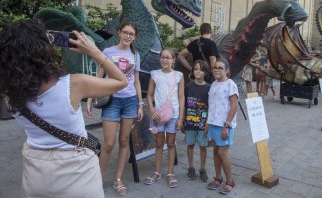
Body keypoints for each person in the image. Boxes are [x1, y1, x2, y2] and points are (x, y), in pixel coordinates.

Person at [0, 20, 128, 197]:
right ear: (44, 49)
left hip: (36, 173)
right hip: (77, 173)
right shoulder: (73, 84)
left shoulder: (9, 94)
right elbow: (121, 81)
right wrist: (94, 52)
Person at [86, 22, 144, 196]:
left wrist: (140, 104)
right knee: (109, 143)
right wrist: (89, 98)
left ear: (135, 37)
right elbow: (99, 77)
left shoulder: (136, 55)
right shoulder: (108, 52)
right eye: (125, 32)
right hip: (112, 101)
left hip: (130, 101)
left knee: (124, 141)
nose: (127, 36)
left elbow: (137, 81)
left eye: (131, 34)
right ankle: (97, 179)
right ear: (119, 33)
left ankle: (118, 179)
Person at [145, 48, 185, 188]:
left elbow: (181, 97)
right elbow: (149, 94)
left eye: (168, 57)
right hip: (158, 115)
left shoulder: (179, 75)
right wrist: (151, 109)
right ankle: (157, 172)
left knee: (172, 143)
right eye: (162, 57)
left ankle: (170, 173)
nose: (164, 60)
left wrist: (181, 117)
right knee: (159, 143)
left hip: (173, 115)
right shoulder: (155, 74)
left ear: (173, 60)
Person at [206, 58, 239, 195]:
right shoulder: (213, 84)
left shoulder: (230, 84)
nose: (217, 70)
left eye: (220, 68)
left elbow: (234, 106)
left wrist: (226, 126)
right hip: (213, 124)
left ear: (227, 70)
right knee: (215, 152)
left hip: (224, 126)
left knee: (222, 153)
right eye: (215, 67)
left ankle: (230, 181)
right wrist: (207, 123)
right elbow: (211, 106)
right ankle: (218, 178)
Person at [184, 60, 210, 182]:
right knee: (190, 145)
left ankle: (203, 168)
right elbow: (184, 105)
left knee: (203, 146)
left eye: (200, 69)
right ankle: (191, 167)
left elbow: (211, 107)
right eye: (195, 69)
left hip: (203, 124)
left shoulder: (209, 88)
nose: (198, 71)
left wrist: (208, 122)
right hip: (190, 123)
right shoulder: (188, 86)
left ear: (205, 72)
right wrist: (183, 119)